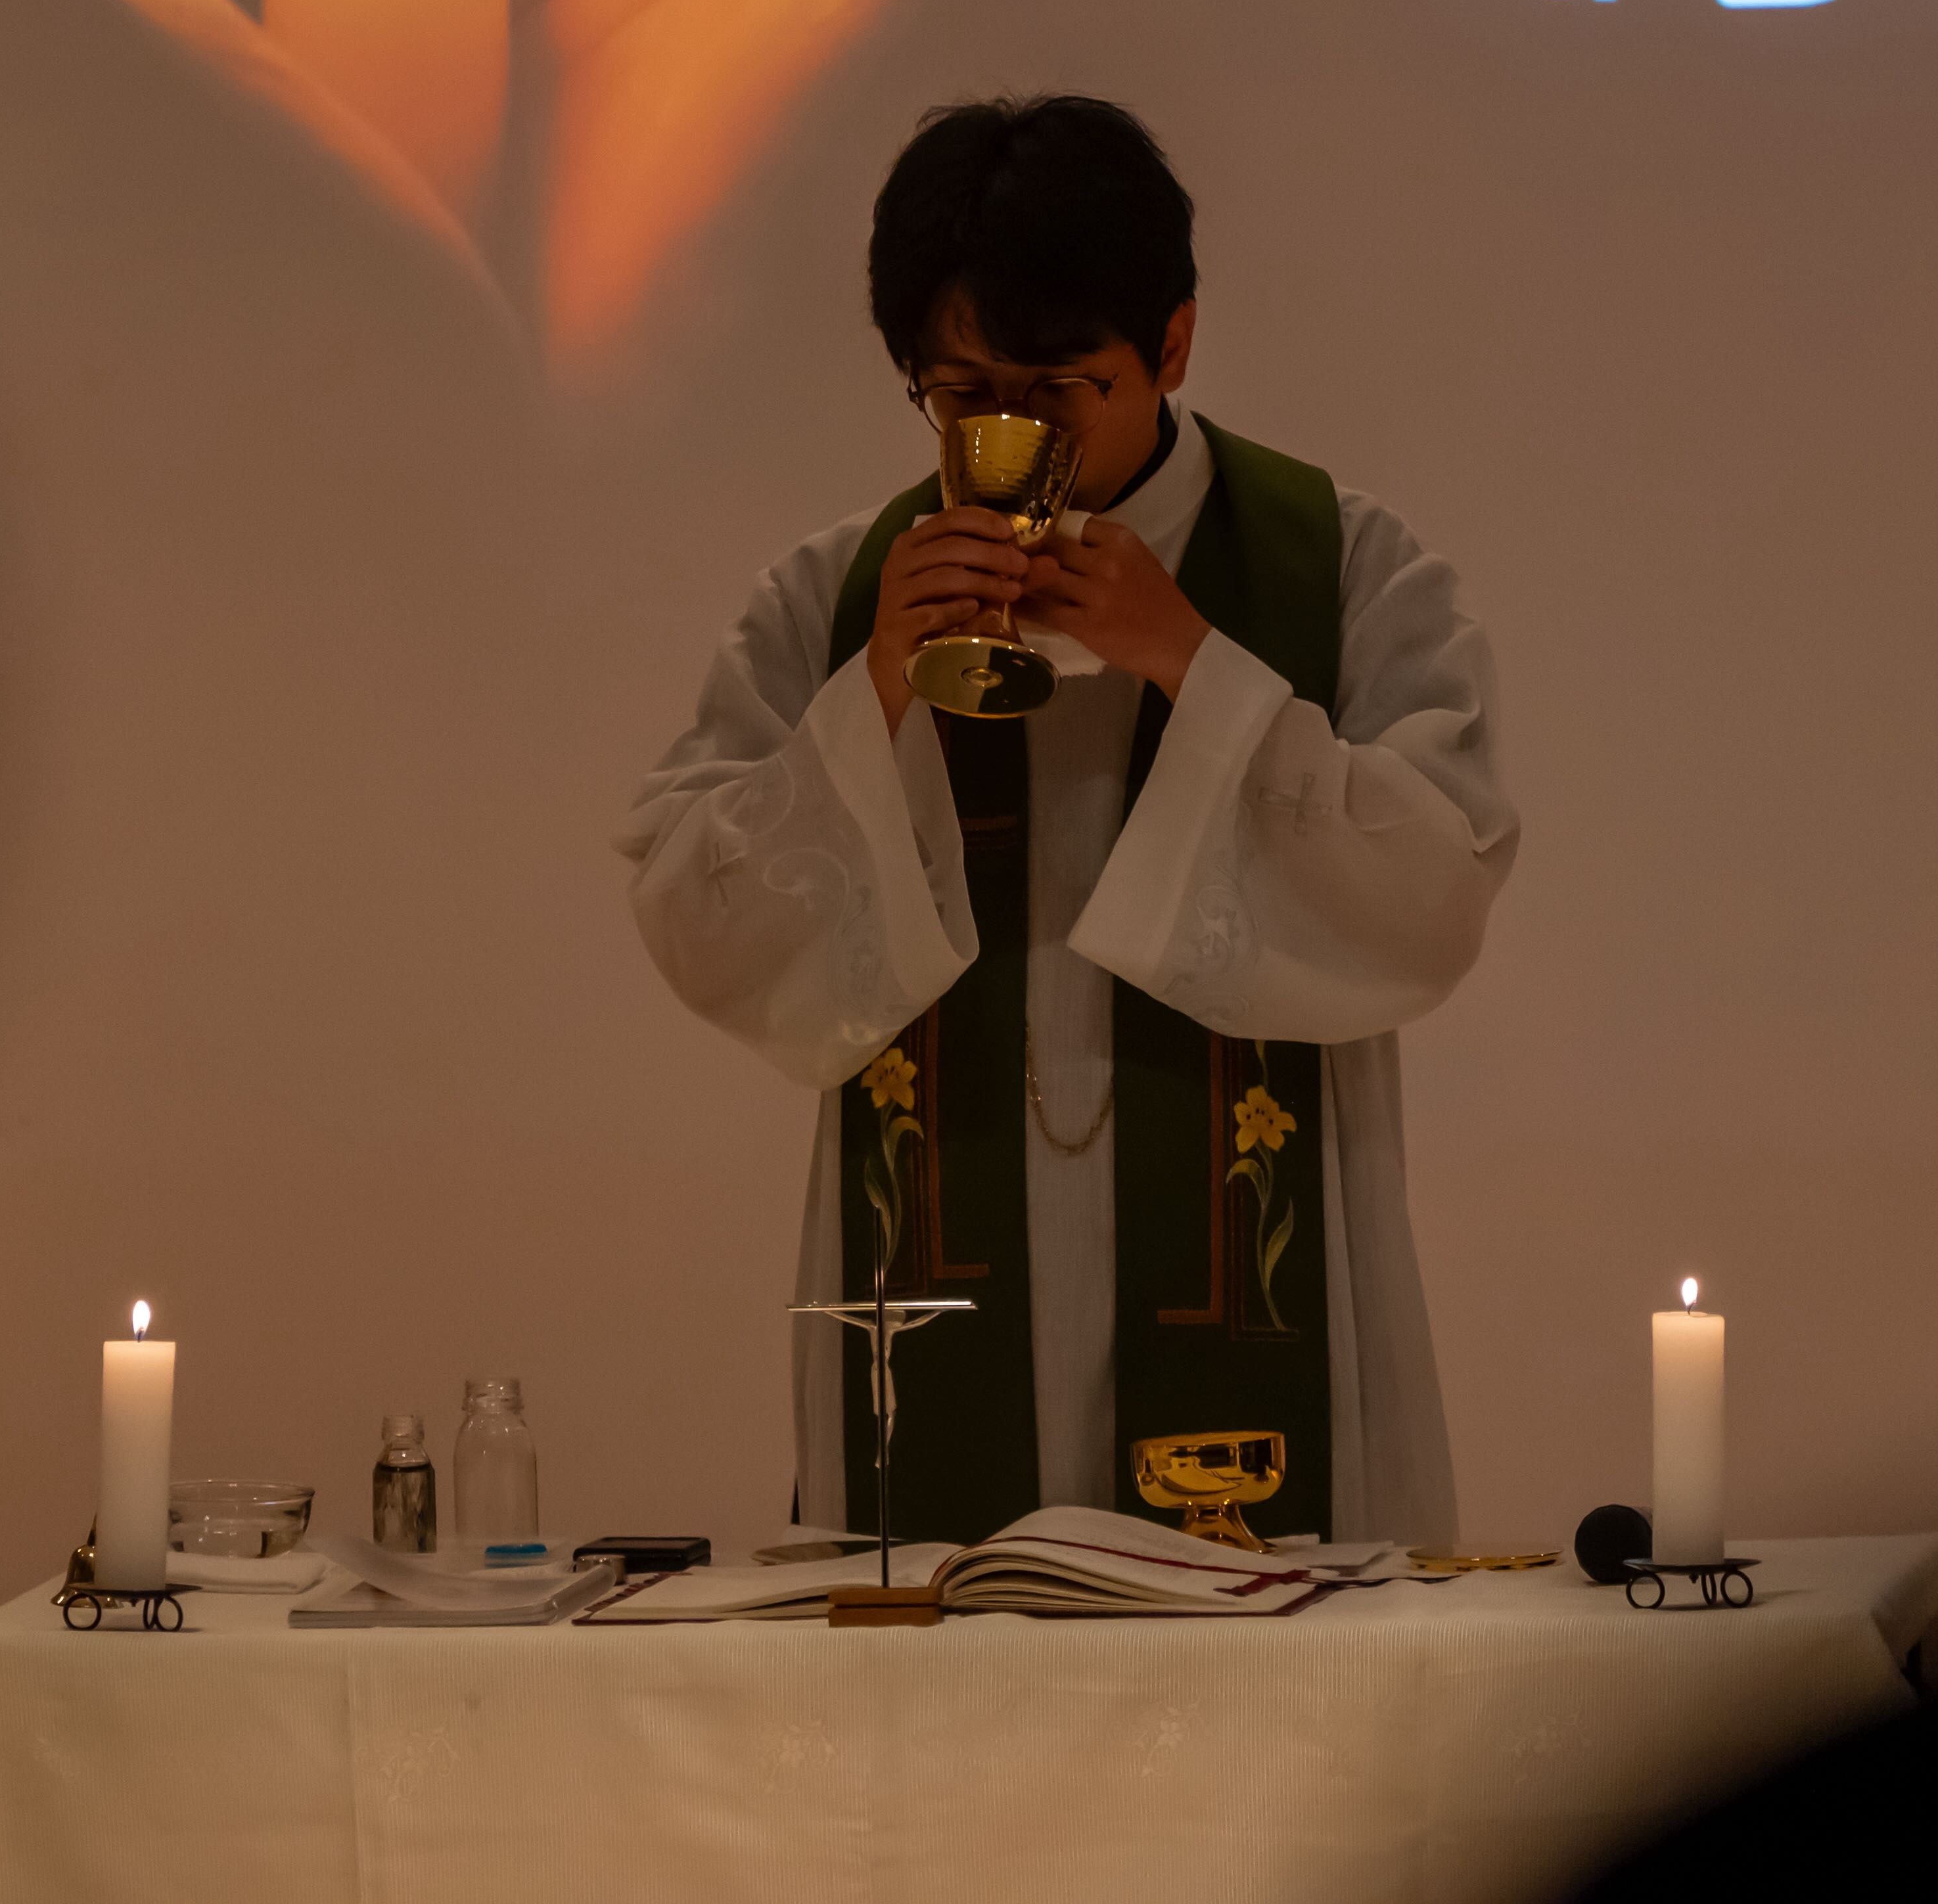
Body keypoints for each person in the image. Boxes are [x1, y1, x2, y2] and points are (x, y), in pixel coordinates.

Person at [618, 96, 1515, 1545]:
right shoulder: (834, 595)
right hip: (940, 1327)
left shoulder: (1346, 568)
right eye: (961, 392)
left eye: (1055, 388)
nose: (1008, 436)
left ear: (1173, 344)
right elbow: (697, 923)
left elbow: (1434, 896)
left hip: (1262, 1351)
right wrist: (876, 692)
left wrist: (1194, 663)